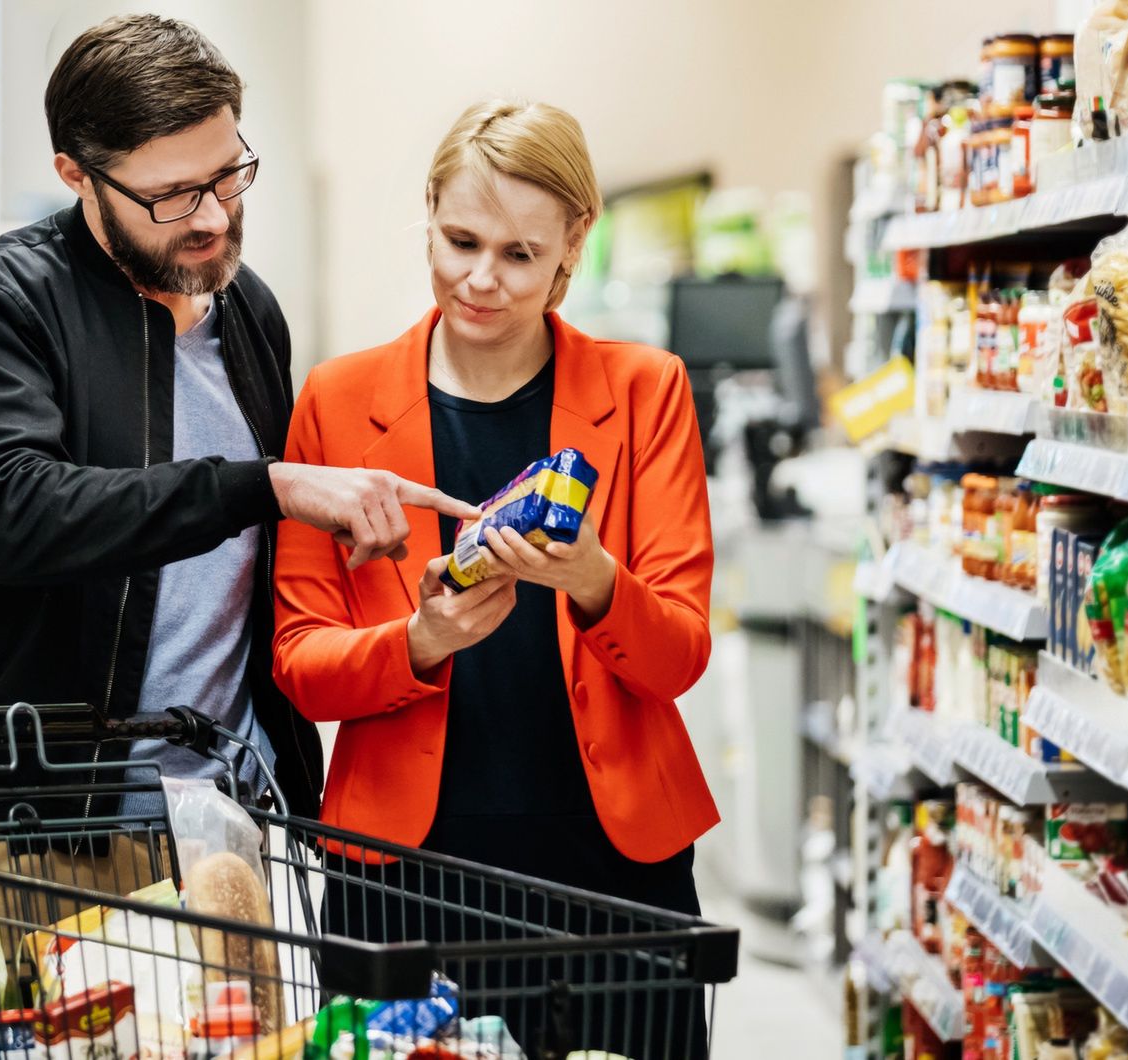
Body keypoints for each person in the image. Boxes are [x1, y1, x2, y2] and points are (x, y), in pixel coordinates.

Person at [0, 13, 476, 876]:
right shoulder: (0, 302)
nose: (215, 216)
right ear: (77, 173)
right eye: (174, 195)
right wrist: (268, 486)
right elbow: (18, 515)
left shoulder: (250, 311)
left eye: (230, 175)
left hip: (228, 816)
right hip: (45, 825)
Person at [271, 100, 719, 1058]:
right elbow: (300, 662)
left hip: (613, 868)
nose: (481, 281)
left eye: (520, 254)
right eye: (460, 238)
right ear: (427, 211)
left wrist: (597, 579)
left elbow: (679, 657)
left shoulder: (647, 390)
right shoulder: (338, 403)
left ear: (572, 249)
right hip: (402, 871)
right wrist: (420, 642)